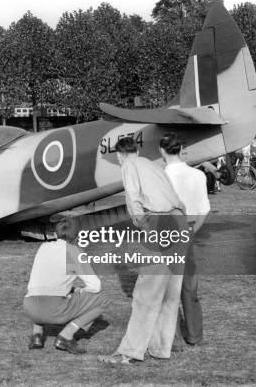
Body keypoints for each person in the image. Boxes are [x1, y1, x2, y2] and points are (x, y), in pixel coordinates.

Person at [98, 137, 186, 365]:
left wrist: (143, 226)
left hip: (159, 222)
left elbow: (133, 200)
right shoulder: (152, 164)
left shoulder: (129, 166)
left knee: (145, 293)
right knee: (170, 292)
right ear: (136, 150)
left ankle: (129, 352)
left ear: (119, 155)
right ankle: (160, 347)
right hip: (178, 219)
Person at [23, 217, 106, 354]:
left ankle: (36, 335)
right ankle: (66, 336)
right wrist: (80, 290)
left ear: (56, 233)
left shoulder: (43, 247)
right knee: (101, 300)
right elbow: (95, 286)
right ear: (77, 235)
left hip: (29, 306)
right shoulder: (73, 251)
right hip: (53, 309)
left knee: (42, 288)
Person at [160, 133, 210, 349]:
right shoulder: (198, 175)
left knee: (165, 287)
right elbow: (203, 210)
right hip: (187, 228)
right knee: (189, 286)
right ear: (181, 150)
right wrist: (191, 231)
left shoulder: (159, 176)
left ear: (162, 151)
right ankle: (194, 334)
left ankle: (171, 337)